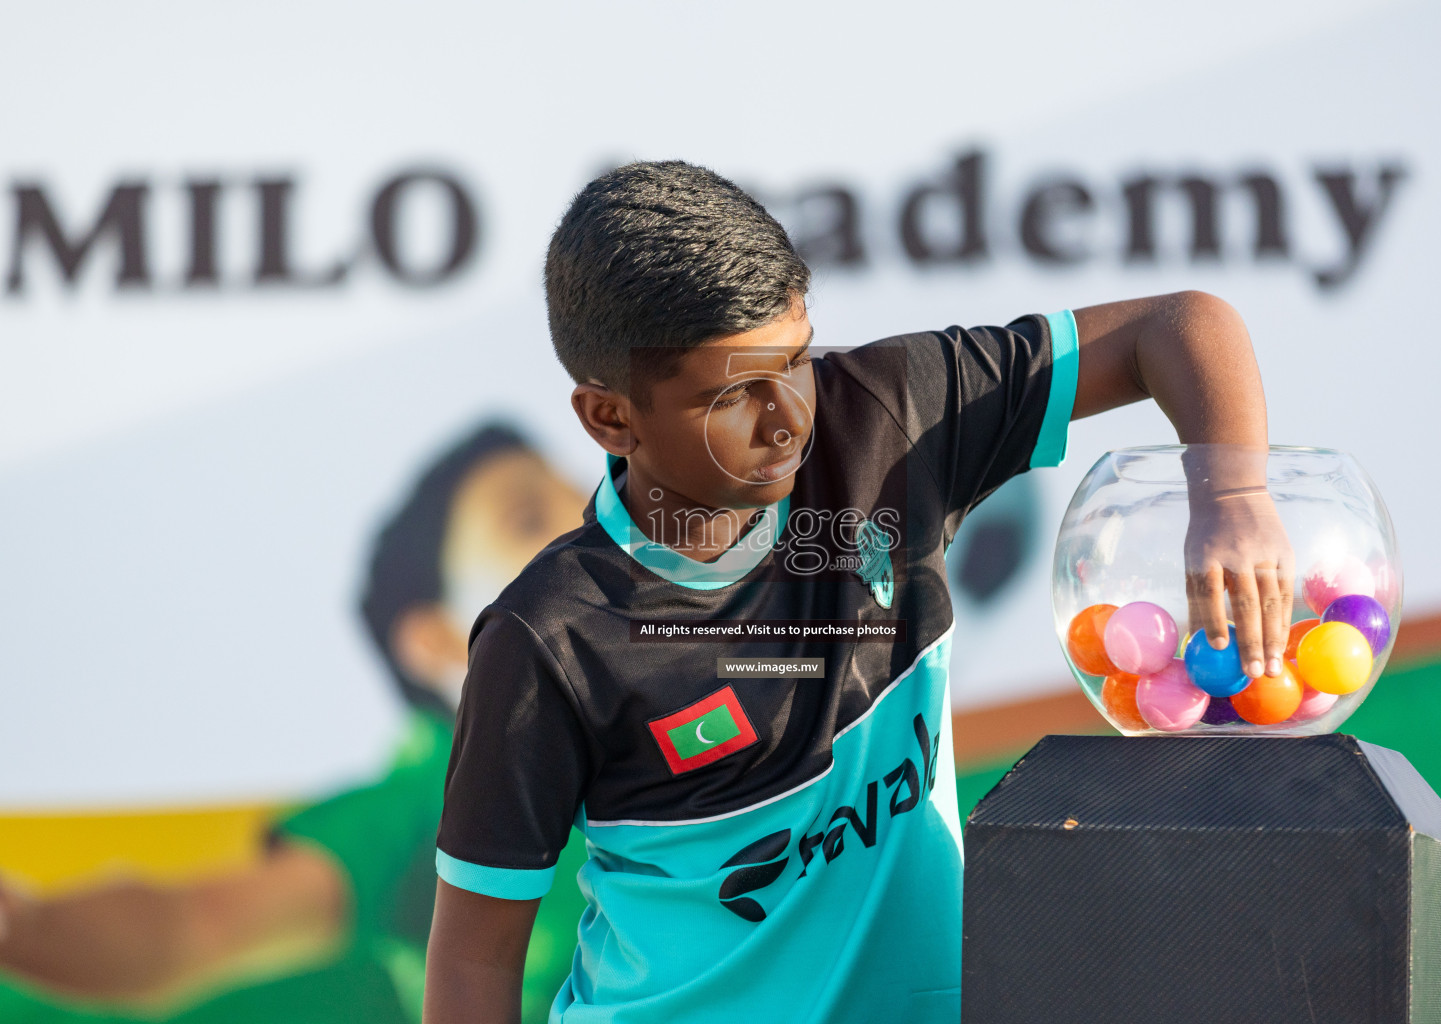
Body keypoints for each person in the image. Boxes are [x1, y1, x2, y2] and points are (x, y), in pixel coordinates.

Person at [424, 161, 1293, 1024]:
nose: (787, 418)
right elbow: (471, 961)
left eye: (796, 358)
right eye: (732, 395)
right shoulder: (548, 638)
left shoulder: (888, 416)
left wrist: (1232, 496)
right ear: (609, 417)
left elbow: (1179, 325)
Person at [0, 423, 585, 1024]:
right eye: (527, 521)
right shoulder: (436, 807)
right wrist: (21, 926)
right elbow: (193, 927)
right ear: (439, 641)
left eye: (593, 495)